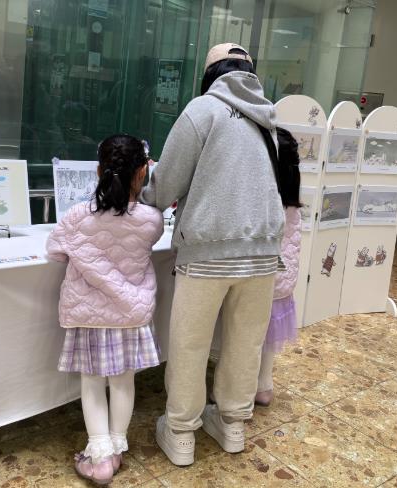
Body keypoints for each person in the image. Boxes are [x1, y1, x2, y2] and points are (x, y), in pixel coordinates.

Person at [140, 43, 285, 465]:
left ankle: (181, 432)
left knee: (191, 343)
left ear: (210, 73)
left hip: (208, 251)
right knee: (245, 342)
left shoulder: (201, 111)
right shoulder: (268, 118)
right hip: (262, 251)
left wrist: (145, 195)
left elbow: (166, 185)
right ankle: (233, 424)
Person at [46, 134, 164, 485]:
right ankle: (115, 450)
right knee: (124, 381)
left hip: (90, 314)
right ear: (142, 173)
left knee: (93, 383)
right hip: (130, 315)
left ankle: (99, 459)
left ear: (98, 171)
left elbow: (55, 250)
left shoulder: (76, 217)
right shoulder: (152, 220)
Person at [255, 127, 302, 406]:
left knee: (250, 339)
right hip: (285, 281)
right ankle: (264, 386)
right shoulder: (292, 200)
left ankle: (242, 389)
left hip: (264, 279)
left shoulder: (266, 199)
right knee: (269, 341)